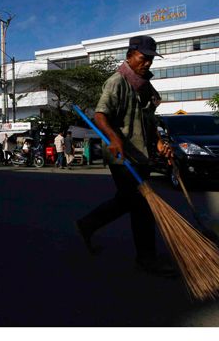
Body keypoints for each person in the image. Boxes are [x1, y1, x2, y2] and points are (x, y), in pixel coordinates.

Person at [75, 35, 176, 276]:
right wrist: (115, 137)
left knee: (126, 201)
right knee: (142, 205)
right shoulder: (117, 82)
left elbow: (149, 121)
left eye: (151, 59)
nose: (148, 63)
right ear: (130, 55)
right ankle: (146, 258)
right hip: (122, 156)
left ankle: (87, 225)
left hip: (141, 155)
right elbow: (100, 116)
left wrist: (160, 143)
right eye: (144, 58)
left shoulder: (145, 85)